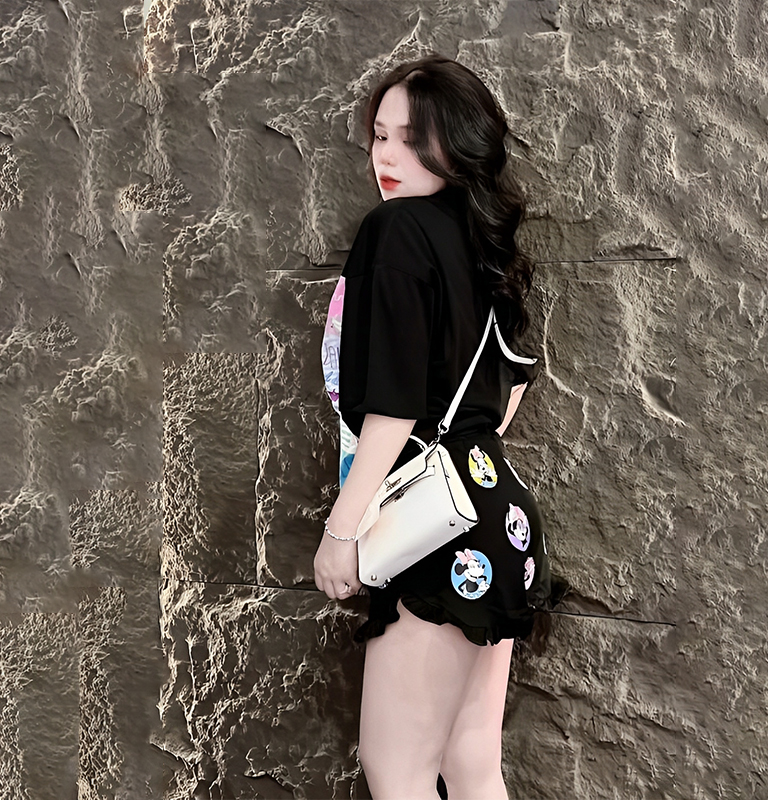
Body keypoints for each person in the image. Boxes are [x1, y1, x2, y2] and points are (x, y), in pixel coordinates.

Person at [315, 54, 552, 800]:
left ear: (456, 142)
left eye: (411, 138)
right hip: (498, 514)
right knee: (471, 766)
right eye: (380, 136)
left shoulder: (396, 229)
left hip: (435, 526)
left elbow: (394, 406)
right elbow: (508, 393)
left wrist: (342, 531)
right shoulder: (483, 245)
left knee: (399, 772)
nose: (387, 156)